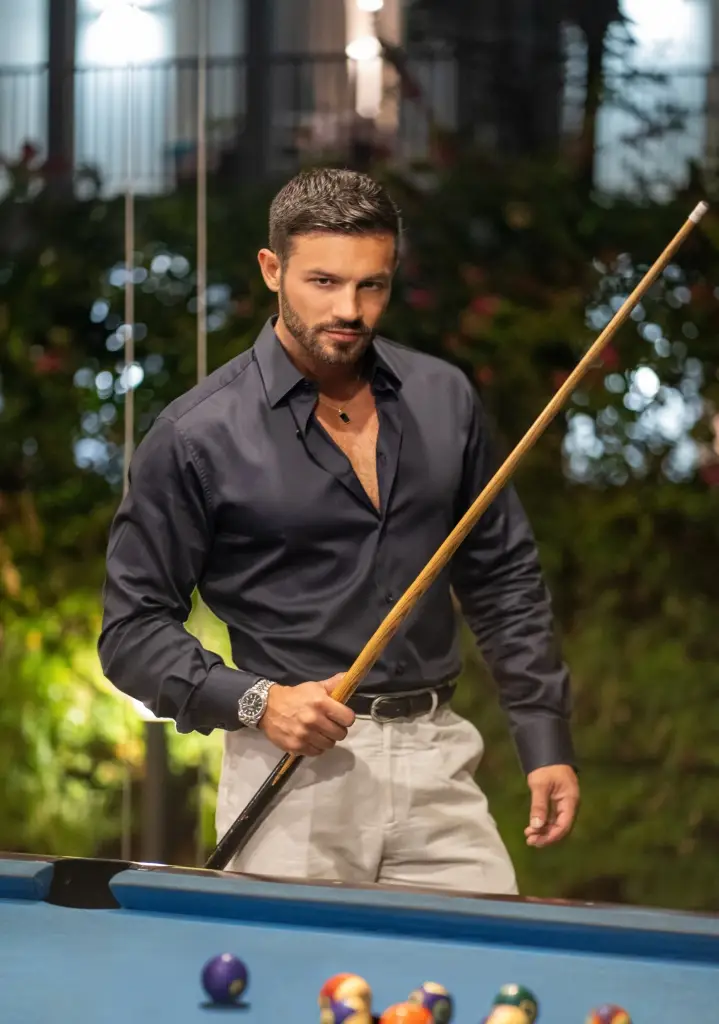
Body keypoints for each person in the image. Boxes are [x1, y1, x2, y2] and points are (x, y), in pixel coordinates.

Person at [98, 167, 579, 895]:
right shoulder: (196, 434)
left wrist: (543, 734)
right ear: (273, 270)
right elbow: (130, 632)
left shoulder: (443, 397)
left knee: (484, 966)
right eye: (323, 282)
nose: (349, 309)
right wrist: (258, 701)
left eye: (371, 285)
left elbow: (502, 576)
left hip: (438, 760)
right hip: (293, 774)